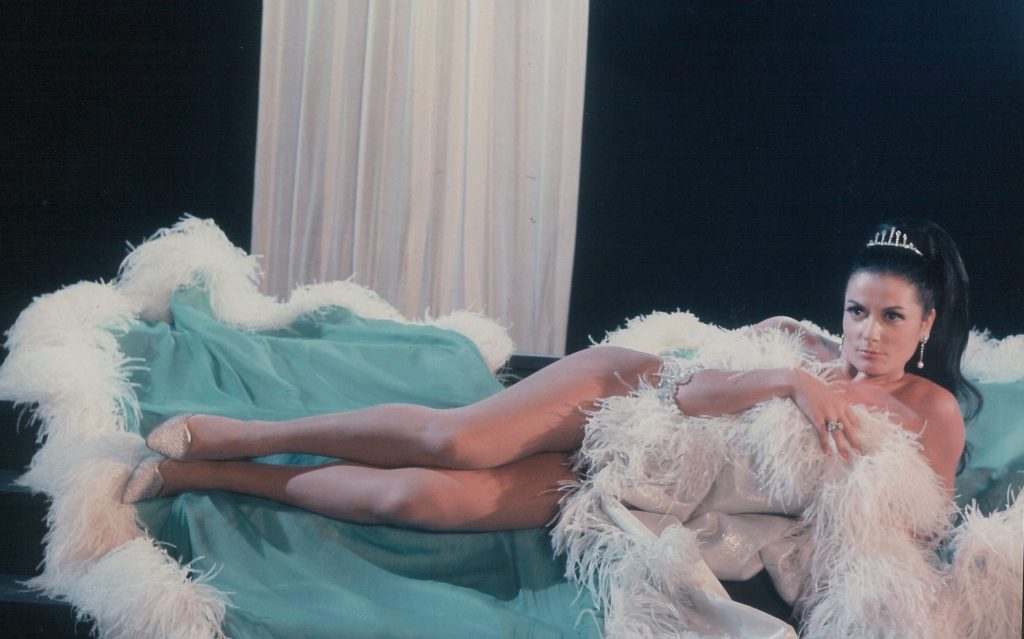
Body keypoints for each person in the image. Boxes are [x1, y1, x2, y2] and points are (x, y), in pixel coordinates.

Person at [123, 219, 980, 532]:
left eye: (890, 317)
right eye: (857, 310)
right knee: (453, 443)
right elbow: (687, 390)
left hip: (642, 492)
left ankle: (212, 476)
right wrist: (794, 381)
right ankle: (245, 436)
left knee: (418, 501)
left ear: (929, 324)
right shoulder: (799, 351)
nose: (865, 332)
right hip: (628, 394)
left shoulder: (932, 412)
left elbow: (909, 529)